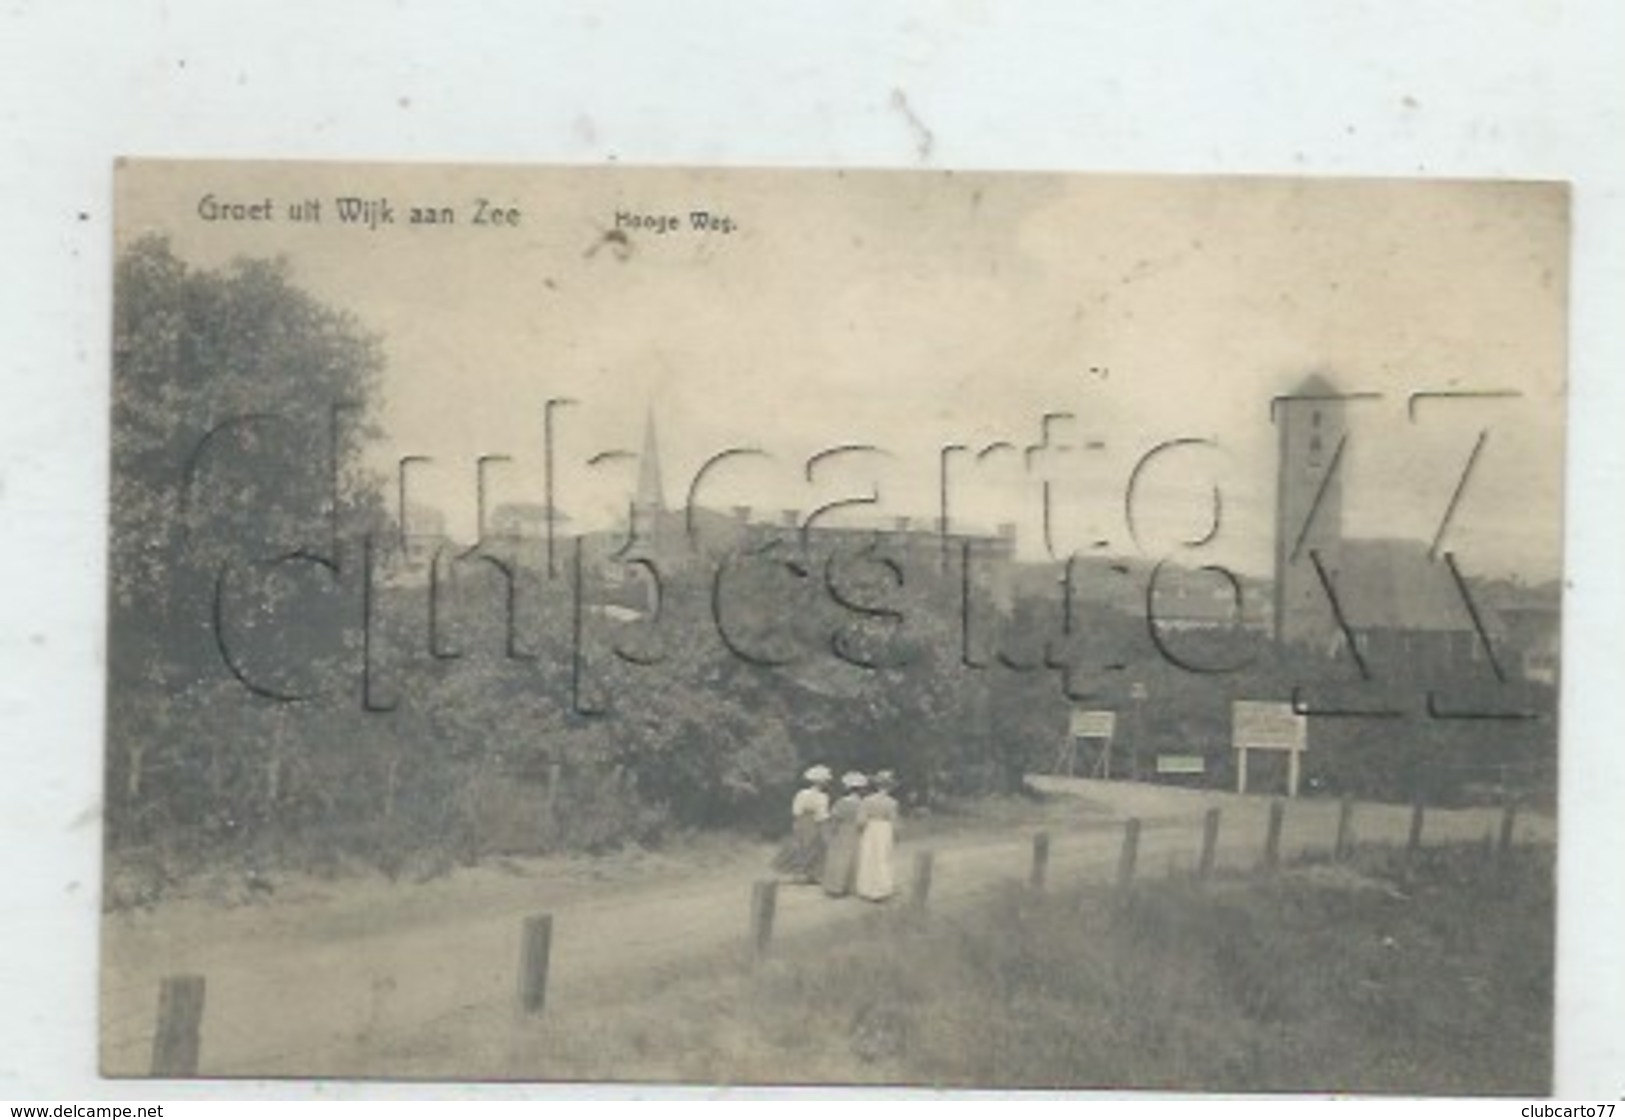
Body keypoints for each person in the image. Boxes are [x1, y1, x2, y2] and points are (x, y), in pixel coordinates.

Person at [772, 764, 832, 882]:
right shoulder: (822, 797)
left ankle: (801, 873)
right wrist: (824, 825)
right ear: (821, 783)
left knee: (800, 844)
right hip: (813, 822)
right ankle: (808, 873)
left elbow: (796, 810)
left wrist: (797, 822)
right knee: (814, 846)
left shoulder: (802, 793)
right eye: (825, 782)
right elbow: (821, 815)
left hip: (801, 820)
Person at [854, 770, 900, 902]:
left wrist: (861, 830)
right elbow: (894, 821)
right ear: (889, 787)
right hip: (884, 829)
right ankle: (882, 889)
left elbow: (861, 820)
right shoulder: (892, 802)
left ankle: (866, 889)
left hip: (870, 829)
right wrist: (896, 835)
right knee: (883, 858)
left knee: (868, 857)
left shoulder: (867, 800)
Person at [820, 771, 867, 897]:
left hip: (842, 831)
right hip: (855, 832)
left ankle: (836, 887)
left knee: (839, 858)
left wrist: (832, 831)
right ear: (861, 790)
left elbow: (835, 819)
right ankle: (850, 886)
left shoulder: (841, 803)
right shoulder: (862, 804)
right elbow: (863, 821)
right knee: (854, 858)